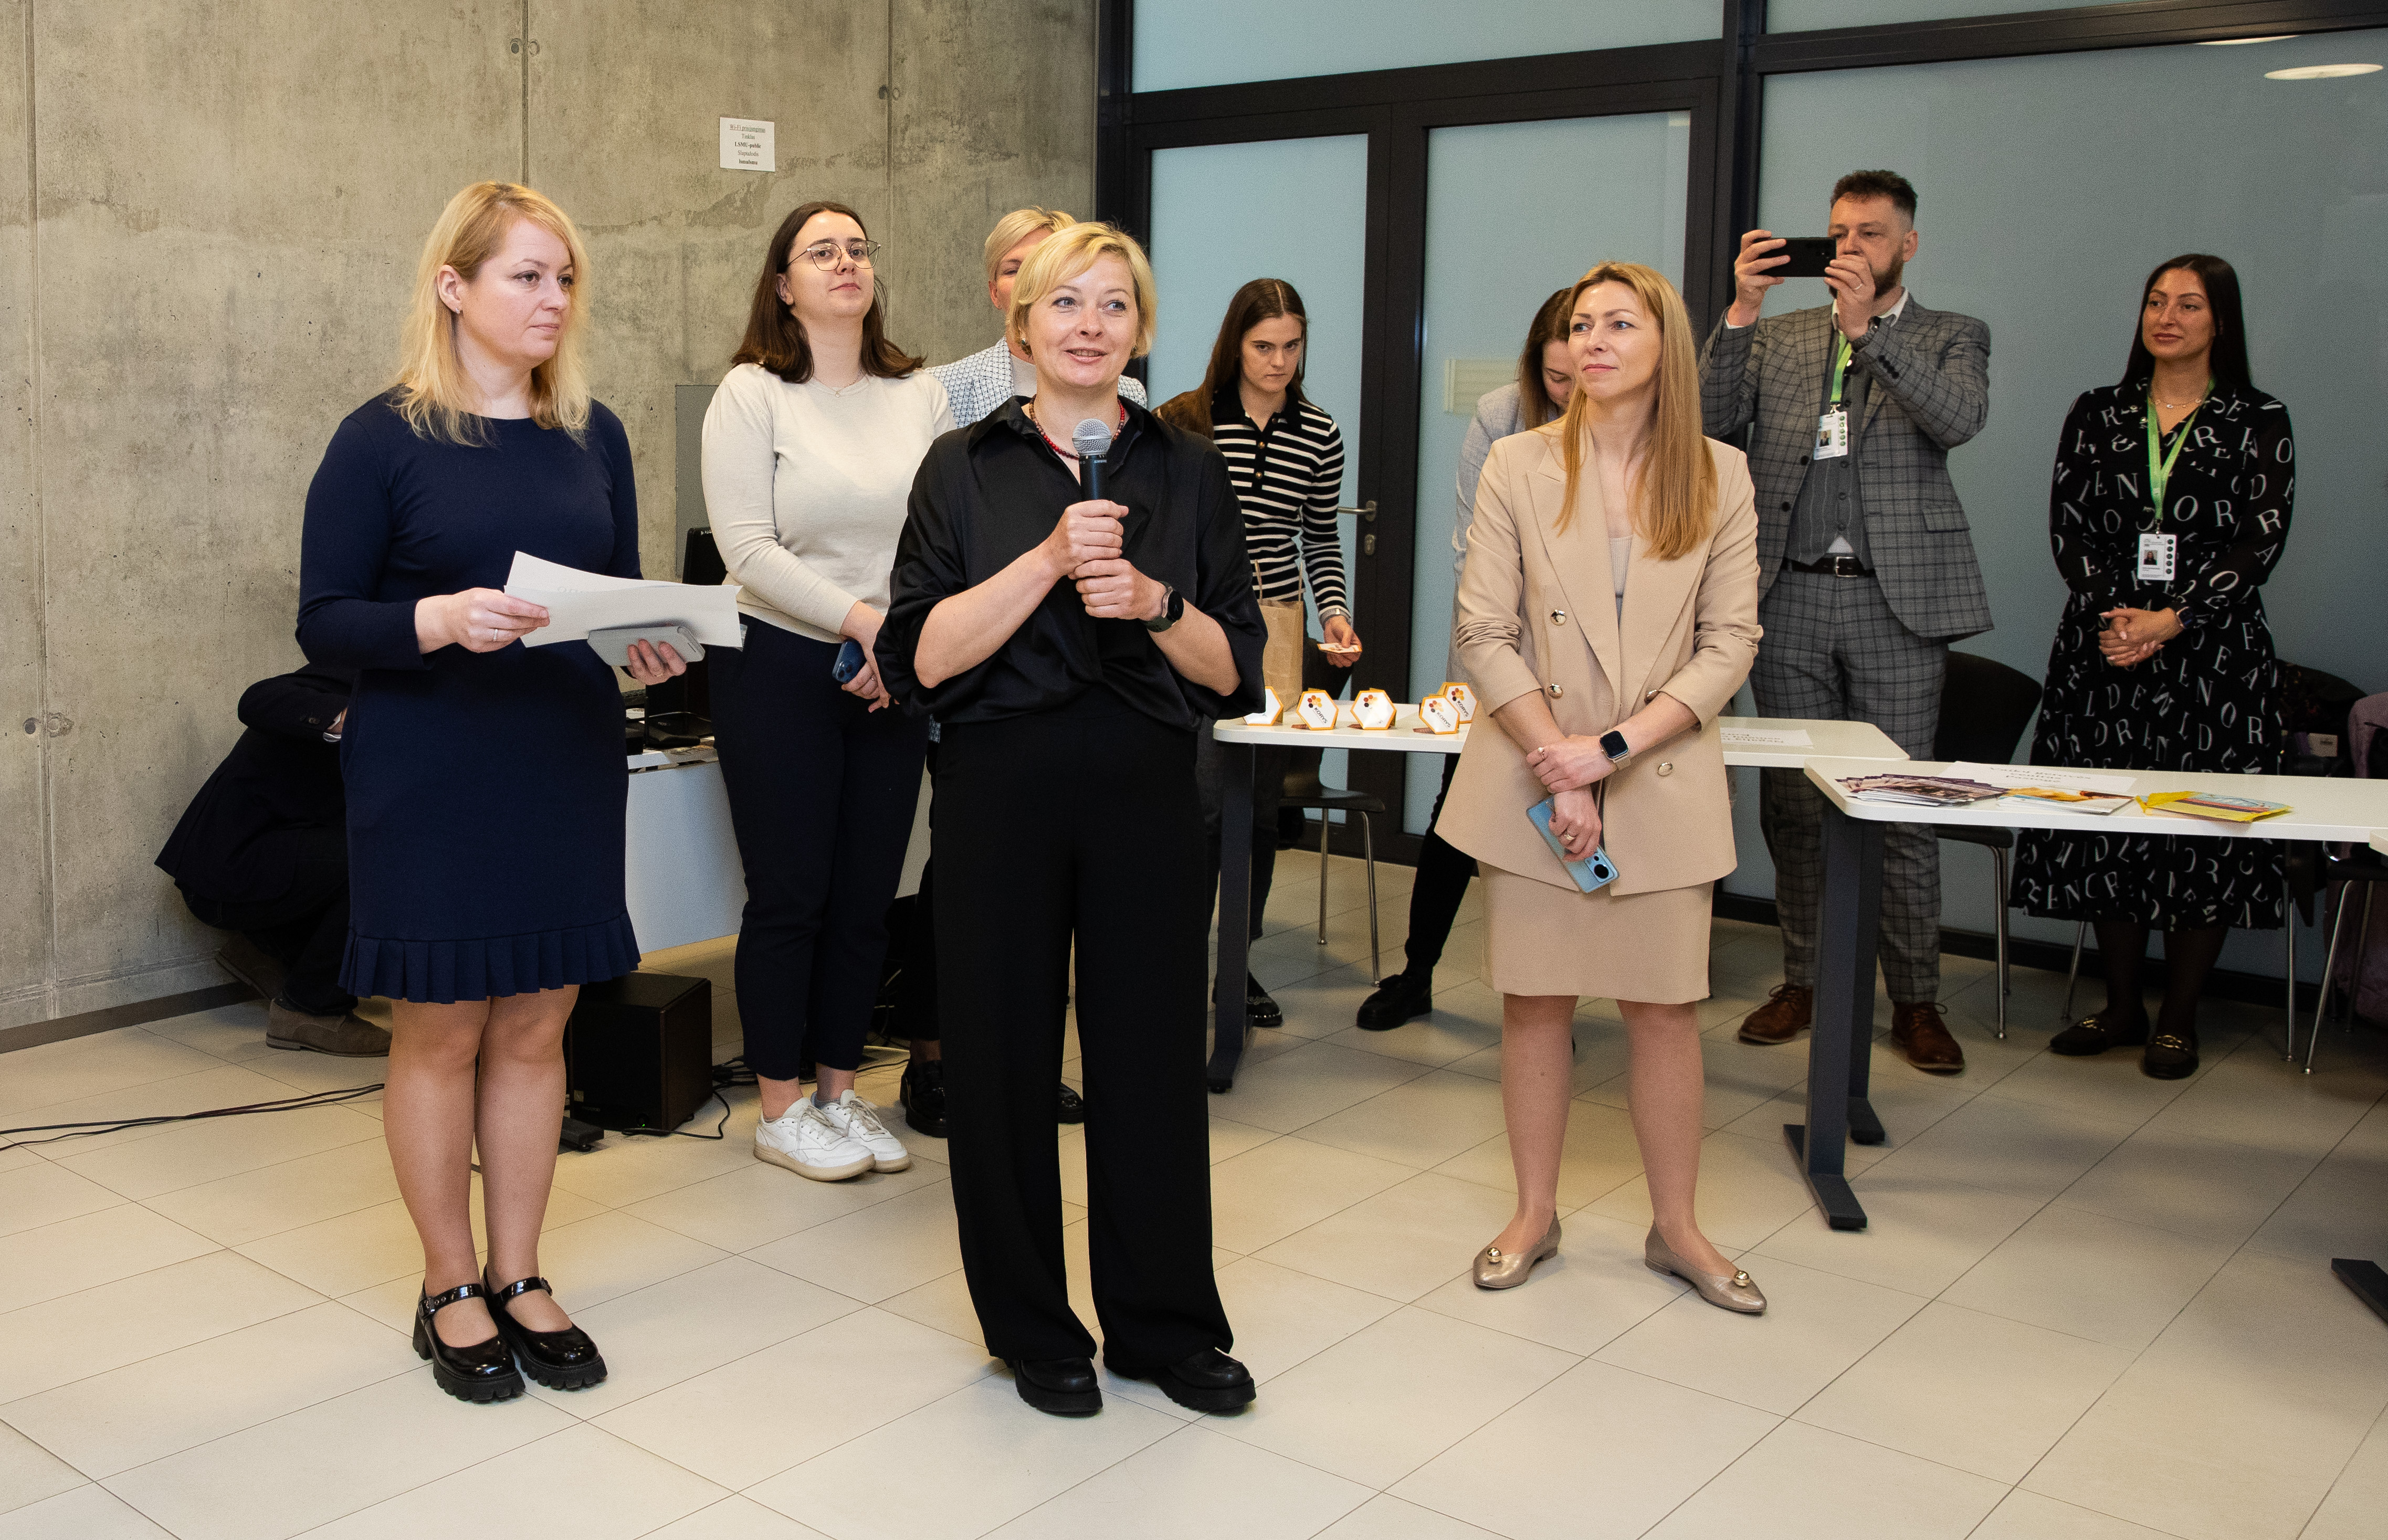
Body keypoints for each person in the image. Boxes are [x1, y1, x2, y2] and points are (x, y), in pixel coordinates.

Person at [298, 181, 686, 1404]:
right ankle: (448, 1283)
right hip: (430, 766)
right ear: (453, 287)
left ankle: (520, 1274)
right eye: (526, 276)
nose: (553, 299)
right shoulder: (380, 438)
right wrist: (435, 619)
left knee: (534, 1026)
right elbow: (323, 621)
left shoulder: (594, 434)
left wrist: (645, 642)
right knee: (443, 1028)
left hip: (561, 757)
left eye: (564, 278)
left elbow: (616, 593)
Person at [877, 221, 1266, 1417]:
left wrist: (1151, 600)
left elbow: (1234, 670)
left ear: (1139, 331)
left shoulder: (1186, 467)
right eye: (1064, 302)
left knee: (1149, 1055)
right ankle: (1031, 1328)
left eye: (1112, 304)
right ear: (1020, 324)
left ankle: (1162, 1323)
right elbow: (919, 656)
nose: (1088, 324)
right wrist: (1047, 560)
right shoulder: (959, 467)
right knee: (998, 1058)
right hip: (998, 783)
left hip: (1145, 782)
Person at [1438, 261, 1763, 1310]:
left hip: (1656, 774)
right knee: (1534, 1004)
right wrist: (1560, 761)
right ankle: (1533, 1213)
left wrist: (1606, 753)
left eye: (1620, 323)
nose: (1594, 341)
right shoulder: (1518, 464)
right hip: (1533, 774)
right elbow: (1481, 631)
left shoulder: (1719, 474)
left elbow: (1729, 644)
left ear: (1665, 343)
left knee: (1664, 1011)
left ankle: (1678, 1229)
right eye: (1582, 325)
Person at [1699, 169, 1990, 1076]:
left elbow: (1957, 420)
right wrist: (1741, 310)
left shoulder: (1951, 334)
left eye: (1870, 233)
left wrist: (1867, 333)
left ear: (1908, 245)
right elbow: (1708, 422)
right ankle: (1804, 979)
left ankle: (1914, 998)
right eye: (1838, 233)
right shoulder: (1782, 335)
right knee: (1794, 807)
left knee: (1896, 806)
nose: (1850, 247)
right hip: (1785, 595)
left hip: (1894, 602)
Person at [701, 201, 948, 1182]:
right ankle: (778, 1106)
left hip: (892, 669)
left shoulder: (920, 394)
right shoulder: (751, 393)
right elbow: (747, 550)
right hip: (778, 662)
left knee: (866, 899)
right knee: (791, 895)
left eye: (858, 248)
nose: (846, 262)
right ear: (784, 284)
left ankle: (841, 1095)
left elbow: (944, 538)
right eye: (821, 251)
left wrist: (900, 640)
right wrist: (867, 626)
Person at [898, 206, 1149, 1133]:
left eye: (1106, 300)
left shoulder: (1138, 418)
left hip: (1107, 701)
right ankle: (941, 1059)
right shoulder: (950, 399)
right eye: (1039, 279)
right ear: (1010, 298)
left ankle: (1038, 1063)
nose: (1084, 320)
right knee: (969, 896)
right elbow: (934, 556)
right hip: (983, 688)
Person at [2015, 254, 2292, 1080]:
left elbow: (2261, 538)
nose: (2166, 317)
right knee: (2111, 825)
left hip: (2213, 656)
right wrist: (2118, 616)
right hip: (2105, 649)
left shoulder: (2257, 417)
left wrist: (2173, 619)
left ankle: (2178, 1018)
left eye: (2189, 305)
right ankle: (2121, 1005)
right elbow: (2068, 525)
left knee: (2198, 830)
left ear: (2221, 321)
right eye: (2155, 301)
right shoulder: (2098, 411)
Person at [1359, 286, 1574, 1030]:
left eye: (1580, 378)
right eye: (1554, 378)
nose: (1569, 393)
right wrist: (1507, 667)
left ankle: (1552, 997)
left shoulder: (1633, 425)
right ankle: (1416, 973)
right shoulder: (1500, 417)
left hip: (1593, 673)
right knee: (1459, 814)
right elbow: (1472, 554)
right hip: (1500, 654)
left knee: (1565, 831)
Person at [1155, 279, 1359, 1031]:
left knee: (1260, 807)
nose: (1278, 361)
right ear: (1234, 345)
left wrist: (1334, 613)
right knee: (1199, 802)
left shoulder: (1320, 433)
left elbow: (1319, 537)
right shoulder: (1184, 420)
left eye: (1291, 346)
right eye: (1263, 346)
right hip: (1194, 625)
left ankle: (1237, 965)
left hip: (1276, 630)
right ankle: (1176, 955)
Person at [156, 666, 390, 1057]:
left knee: (398, 852)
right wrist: (353, 721)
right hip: (226, 874)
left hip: (280, 866)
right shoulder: (354, 680)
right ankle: (311, 1009)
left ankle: (270, 956)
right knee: (384, 862)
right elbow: (257, 699)